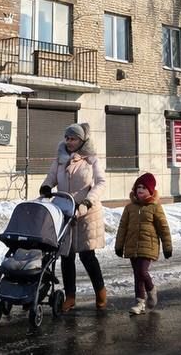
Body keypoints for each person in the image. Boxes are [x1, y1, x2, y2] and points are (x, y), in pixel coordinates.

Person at [40, 123, 108, 312]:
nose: (69, 142)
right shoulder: (60, 158)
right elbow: (51, 177)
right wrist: (46, 186)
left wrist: (87, 201)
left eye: (73, 139)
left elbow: (101, 183)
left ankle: (100, 291)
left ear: (82, 140)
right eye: (67, 138)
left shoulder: (91, 159)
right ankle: (70, 297)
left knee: (87, 256)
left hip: (87, 212)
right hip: (65, 211)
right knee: (66, 256)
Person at [115, 172, 172, 315]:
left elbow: (163, 228)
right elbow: (122, 227)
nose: (140, 190)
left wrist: (167, 247)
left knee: (142, 271)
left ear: (150, 191)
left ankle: (151, 289)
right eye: (138, 187)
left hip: (148, 246)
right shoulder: (129, 208)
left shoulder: (155, 207)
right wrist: (119, 246)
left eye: (144, 188)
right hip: (132, 246)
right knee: (137, 274)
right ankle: (139, 303)